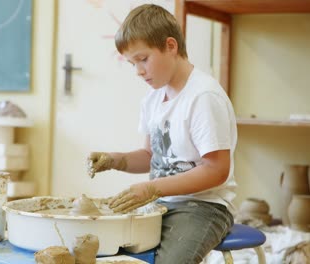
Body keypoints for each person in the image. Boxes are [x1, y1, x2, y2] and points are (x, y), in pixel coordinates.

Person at [87, 4, 237, 264]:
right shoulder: (153, 98)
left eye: (143, 59)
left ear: (171, 46)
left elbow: (217, 170)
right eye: (133, 63)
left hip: (204, 206)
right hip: (160, 204)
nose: (139, 71)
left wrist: (151, 188)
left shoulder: (203, 97)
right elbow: (150, 156)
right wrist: (115, 160)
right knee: (109, 249)